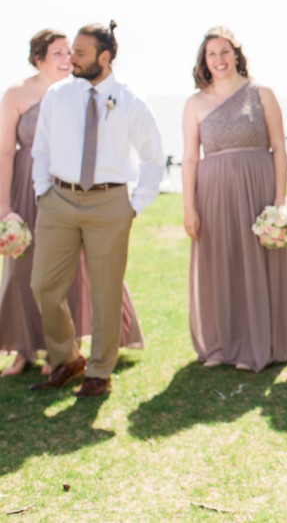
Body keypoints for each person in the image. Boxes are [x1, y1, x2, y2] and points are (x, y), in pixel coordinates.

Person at [28, 22, 165, 397]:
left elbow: (154, 158)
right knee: (44, 286)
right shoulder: (57, 95)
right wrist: (43, 193)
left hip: (110, 203)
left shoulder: (131, 100)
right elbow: (41, 148)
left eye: (81, 53)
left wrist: (132, 206)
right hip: (58, 200)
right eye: (71, 50)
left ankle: (99, 372)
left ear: (105, 58)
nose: (71, 58)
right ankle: (67, 358)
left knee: (106, 292)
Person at [0, 30, 143, 377]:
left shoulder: (79, 91)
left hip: (74, 190)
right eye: (58, 52)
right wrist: (5, 207)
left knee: (76, 271)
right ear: (39, 58)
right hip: (25, 186)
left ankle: (63, 351)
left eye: (71, 52)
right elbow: (5, 150)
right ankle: (23, 349)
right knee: (23, 271)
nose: (67, 58)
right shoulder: (18, 93)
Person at [181, 27, 287, 372]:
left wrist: (278, 200)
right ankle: (220, 345)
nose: (219, 59)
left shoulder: (261, 93)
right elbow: (189, 158)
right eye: (212, 53)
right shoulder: (195, 102)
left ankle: (261, 342)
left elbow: (279, 148)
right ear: (204, 60)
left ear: (237, 54)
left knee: (257, 264)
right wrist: (189, 206)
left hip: (257, 189)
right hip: (213, 193)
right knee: (220, 263)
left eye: (225, 51)